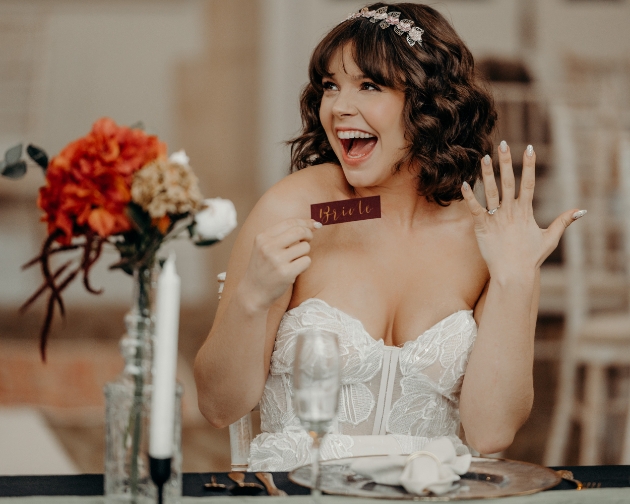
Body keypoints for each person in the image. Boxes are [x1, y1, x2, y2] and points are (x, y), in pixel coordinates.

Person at [194, 2, 584, 471]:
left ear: (426, 104)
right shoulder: (297, 208)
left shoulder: (487, 238)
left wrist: (515, 280)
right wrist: (252, 297)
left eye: (369, 86)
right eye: (331, 86)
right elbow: (218, 407)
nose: (339, 107)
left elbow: (490, 433)